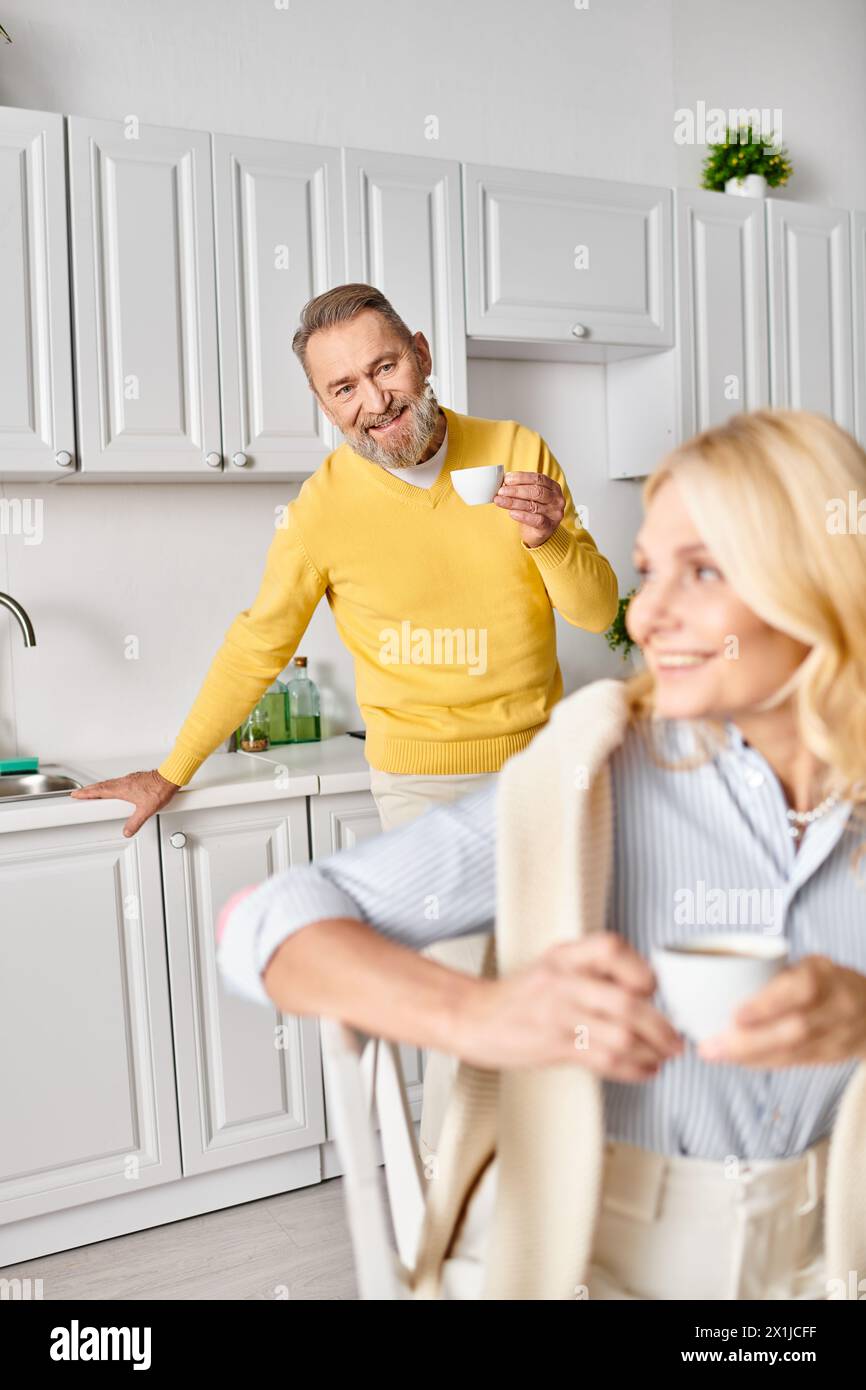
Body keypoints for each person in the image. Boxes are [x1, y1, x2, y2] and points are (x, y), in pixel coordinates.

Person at [215, 408, 866, 1299]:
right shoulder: (596, 783)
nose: (650, 616)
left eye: (703, 571)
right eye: (650, 572)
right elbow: (266, 925)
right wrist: (481, 1016)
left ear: (825, 580)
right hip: (596, 1257)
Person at [70, 282, 619, 1161]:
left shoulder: (517, 452)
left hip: (545, 776)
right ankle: (457, 1229)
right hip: (425, 788)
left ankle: (574, 1200)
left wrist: (552, 537)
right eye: (344, 389)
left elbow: (596, 614)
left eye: (385, 367)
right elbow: (257, 645)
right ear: (324, 405)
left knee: (570, 990)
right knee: (469, 1008)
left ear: (424, 355)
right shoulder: (321, 507)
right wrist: (172, 769)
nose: (375, 402)